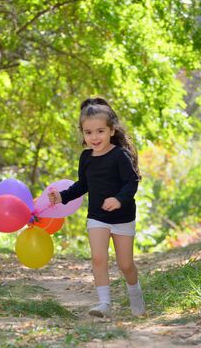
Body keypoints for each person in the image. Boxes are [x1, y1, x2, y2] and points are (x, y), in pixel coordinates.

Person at [48, 97, 145, 318]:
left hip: (123, 217)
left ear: (111, 131)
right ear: (83, 134)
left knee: (125, 264)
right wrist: (61, 197)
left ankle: (135, 293)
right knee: (98, 258)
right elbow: (83, 185)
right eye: (88, 132)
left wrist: (119, 199)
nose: (94, 137)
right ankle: (104, 303)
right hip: (97, 217)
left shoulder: (120, 155)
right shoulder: (86, 158)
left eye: (100, 131)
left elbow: (131, 182)